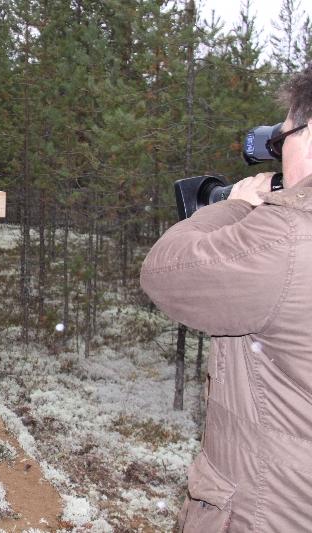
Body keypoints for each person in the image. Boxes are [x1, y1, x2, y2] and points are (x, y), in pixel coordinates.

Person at [140, 66, 312, 532]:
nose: (278, 153)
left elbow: (164, 271)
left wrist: (236, 204)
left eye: (284, 138)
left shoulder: (289, 238)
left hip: (275, 510)